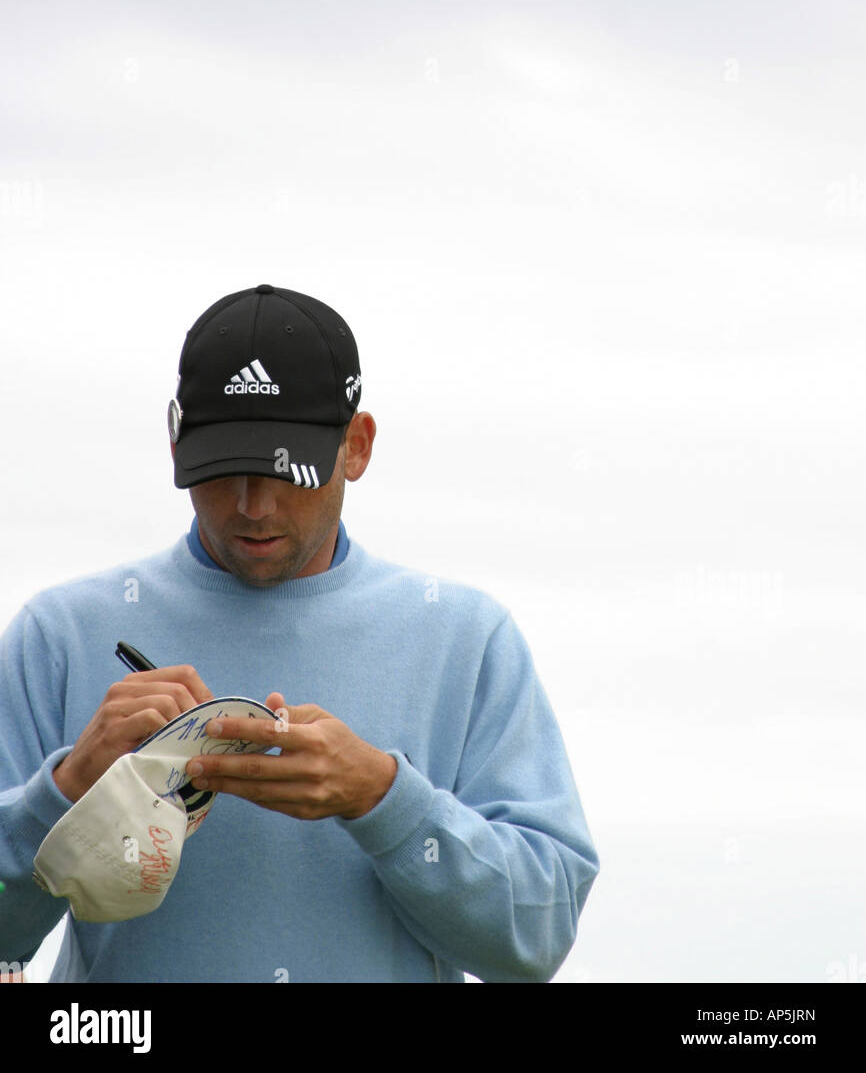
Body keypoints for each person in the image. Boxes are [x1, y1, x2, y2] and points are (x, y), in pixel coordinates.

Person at [0, 284, 599, 983]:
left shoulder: (465, 640)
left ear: (358, 446)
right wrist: (68, 791)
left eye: (287, 472)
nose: (254, 506)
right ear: (175, 445)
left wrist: (381, 797)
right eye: (222, 471)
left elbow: (537, 938)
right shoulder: (59, 635)